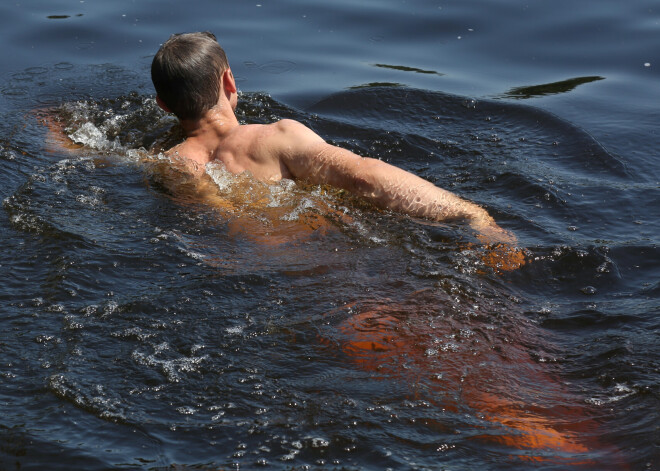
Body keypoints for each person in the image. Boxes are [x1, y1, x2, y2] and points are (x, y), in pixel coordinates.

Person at [151, 32, 515, 245]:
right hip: (334, 253)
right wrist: (472, 216)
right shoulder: (275, 138)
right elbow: (364, 176)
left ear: (163, 105)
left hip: (267, 274)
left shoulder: (169, 164)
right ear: (230, 81)